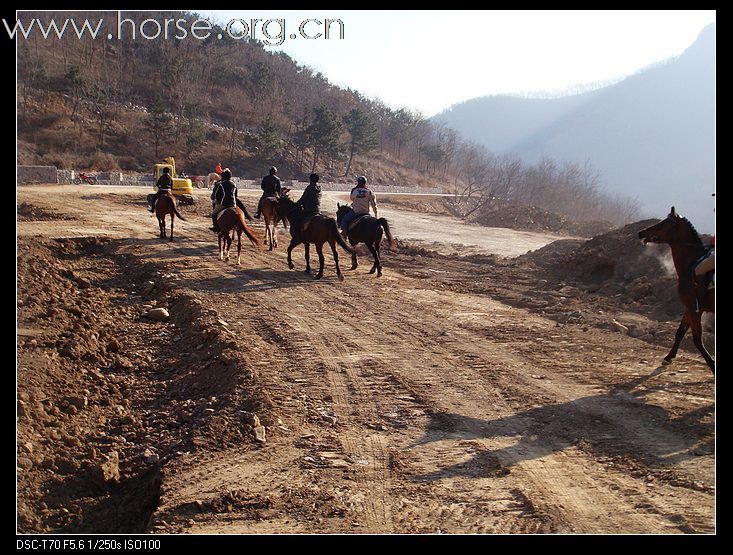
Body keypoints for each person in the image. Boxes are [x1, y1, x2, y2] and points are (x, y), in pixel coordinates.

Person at [210, 168, 238, 232]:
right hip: (233, 204)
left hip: (224, 204)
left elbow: (217, 195)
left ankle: (215, 227)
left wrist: (217, 200)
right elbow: (236, 195)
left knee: (214, 214)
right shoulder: (234, 184)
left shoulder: (221, 184)